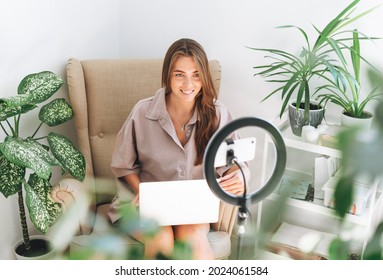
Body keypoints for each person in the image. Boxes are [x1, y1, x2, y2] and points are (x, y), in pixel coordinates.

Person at [110, 38, 249, 260]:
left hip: (193, 208)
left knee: (193, 235)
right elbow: (123, 166)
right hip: (143, 205)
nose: (188, 84)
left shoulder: (218, 114)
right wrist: (143, 193)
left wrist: (241, 177)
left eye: (196, 74)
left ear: (204, 76)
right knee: (160, 237)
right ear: (168, 76)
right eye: (179, 75)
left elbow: (238, 163)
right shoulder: (142, 112)